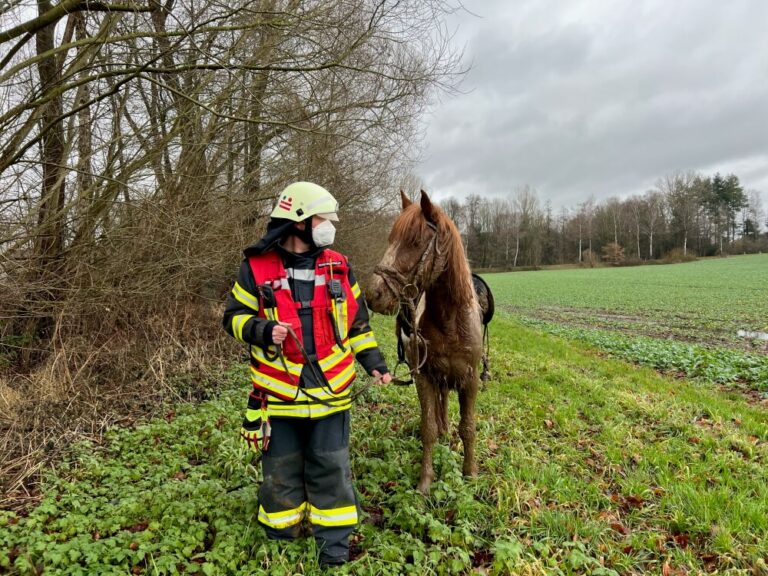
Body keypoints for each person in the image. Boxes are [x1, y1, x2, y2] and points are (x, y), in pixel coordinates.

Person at [222, 181, 392, 567]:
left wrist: (375, 365)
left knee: (330, 468)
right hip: (279, 397)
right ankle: (281, 537)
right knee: (280, 470)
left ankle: (332, 548)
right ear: (298, 222)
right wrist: (262, 330)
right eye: (323, 218)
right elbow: (232, 318)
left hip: (331, 395)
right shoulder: (255, 267)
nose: (329, 224)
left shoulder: (339, 265)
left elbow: (358, 325)